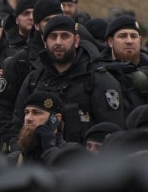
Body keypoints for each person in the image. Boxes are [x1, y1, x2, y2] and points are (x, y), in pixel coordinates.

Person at [12, 14, 125, 147]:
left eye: (65, 36)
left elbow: (113, 131)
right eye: (53, 37)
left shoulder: (99, 80)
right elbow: (18, 123)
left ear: (76, 40)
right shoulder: (34, 79)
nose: (58, 42)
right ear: (44, 41)